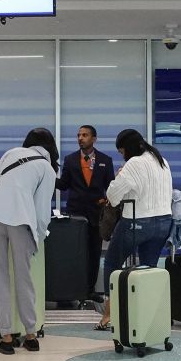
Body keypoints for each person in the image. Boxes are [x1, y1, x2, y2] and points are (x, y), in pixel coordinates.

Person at [0, 127, 58, 355]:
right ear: (51, 147)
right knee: (24, 278)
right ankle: (31, 336)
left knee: (0, 276)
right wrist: (39, 236)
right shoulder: (47, 169)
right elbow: (42, 211)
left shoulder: (12, 153)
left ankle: (6, 338)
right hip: (20, 221)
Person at [94, 129, 173, 330]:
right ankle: (148, 315)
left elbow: (113, 195)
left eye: (121, 152)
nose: (122, 155)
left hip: (137, 222)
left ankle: (109, 315)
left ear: (127, 149)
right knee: (148, 269)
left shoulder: (134, 164)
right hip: (164, 221)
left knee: (112, 262)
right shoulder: (162, 161)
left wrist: (120, 174)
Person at [55, 125, 115, 303]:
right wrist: (47, 174)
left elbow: (110, 187)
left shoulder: (105, 160)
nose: (80, 138)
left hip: (97, 215)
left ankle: (89, 290)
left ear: (94, 138)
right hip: (75, 215)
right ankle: (71, 290)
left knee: (94, 253)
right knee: (73, 253)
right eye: (79, 135)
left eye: (85, 135)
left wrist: (108, 202)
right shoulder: (71, 160)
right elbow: (64, 184)